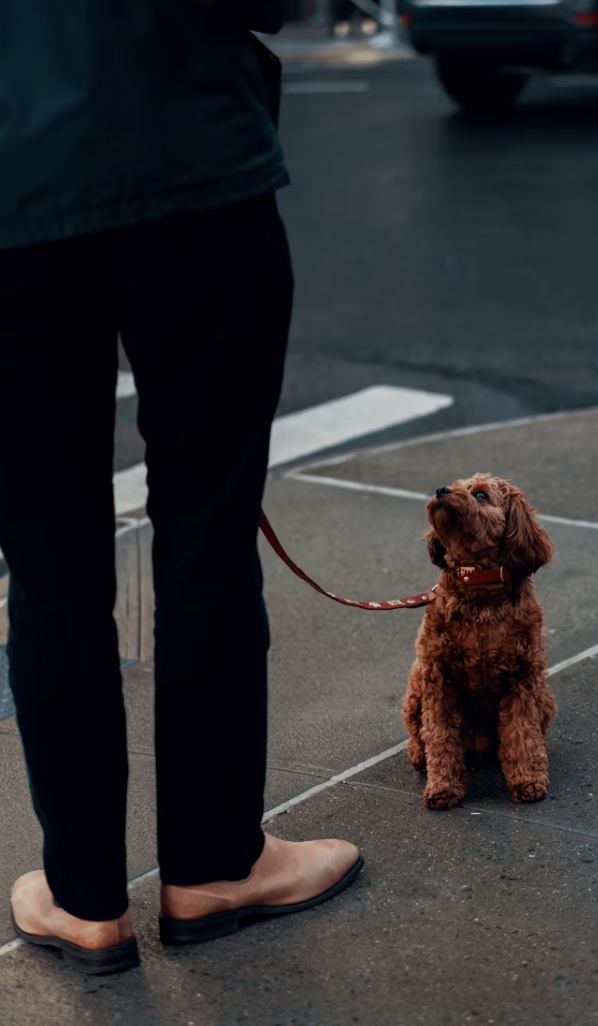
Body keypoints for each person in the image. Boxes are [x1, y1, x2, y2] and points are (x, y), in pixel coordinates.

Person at [0, 0, 362, 975]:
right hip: (184, 153)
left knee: (47, 559)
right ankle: (214, 865)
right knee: (205, 528)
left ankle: (82, 899)